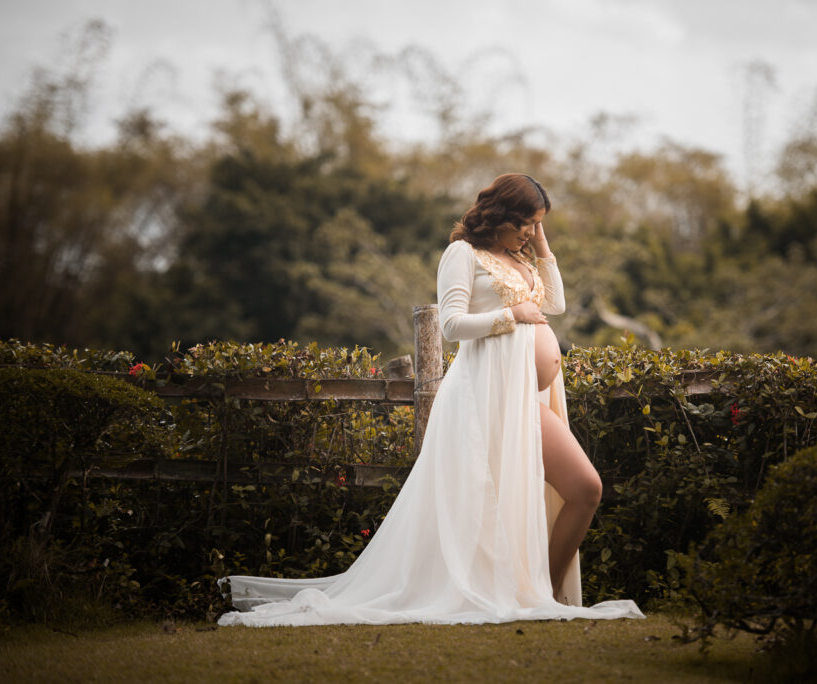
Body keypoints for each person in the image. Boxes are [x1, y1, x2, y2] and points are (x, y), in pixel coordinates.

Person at [218, 174, 643, 626]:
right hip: (484, 400)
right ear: (500, 214)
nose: (529, 232)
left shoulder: (523, 258)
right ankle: (536, 598)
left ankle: (545, 595)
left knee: (585, 489)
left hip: (522, 401)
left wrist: (542, 246)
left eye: (536, 224)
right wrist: (511, 315)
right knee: (517, 501)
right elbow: (451, 326)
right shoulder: (462, 254)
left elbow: (554, 304)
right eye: (525, 222)